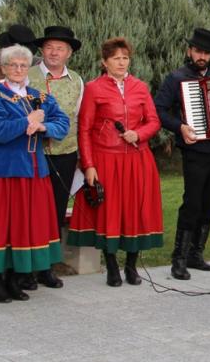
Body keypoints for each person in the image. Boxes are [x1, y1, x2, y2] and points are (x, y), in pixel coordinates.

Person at [0, 44, 69, 303]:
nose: (18, 69)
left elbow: (62, 124)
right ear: (3, 68)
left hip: (33, 173)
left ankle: (15, 279)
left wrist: (43, 125)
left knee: (23, 227)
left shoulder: (39, 97)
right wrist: (28, 121)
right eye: (12, 65)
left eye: (22, 65)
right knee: (0, 226)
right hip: (1, 173)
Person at [67, 37, 163, 287]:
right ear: (104, 62)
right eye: (116, 58)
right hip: (105, 158)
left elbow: (153, 121)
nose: (121, 62)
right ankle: (111, 265)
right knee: (109, 211)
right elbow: (84, 129)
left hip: (137, 159)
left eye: (125, 58)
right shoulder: (94, 88)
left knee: (135, 210)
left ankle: (131, 266)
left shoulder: (140, 87)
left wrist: (139, 134)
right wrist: (88, 165)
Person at [154, 28, 210, 280]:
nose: (202, 56)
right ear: (189, 51)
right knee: (192, 203)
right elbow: (159, 110)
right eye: (198, 51)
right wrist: (180, 126)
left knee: (209, 203)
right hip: (194, 149)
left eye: (206, 53)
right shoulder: (177, 78)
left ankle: (196, 254)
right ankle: (179, 259)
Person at [27, 25, 84, 289]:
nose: (54, 52)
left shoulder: (77, 80)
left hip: (65, 154)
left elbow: (79, 119)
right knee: (30, 211)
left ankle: (47, 267)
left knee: (56, 212)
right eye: (49, 47)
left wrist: (82, 156)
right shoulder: (26, 76)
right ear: (41, 50)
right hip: (32, 155)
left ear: (69, 53)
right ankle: (26, 267)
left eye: (60, 48)